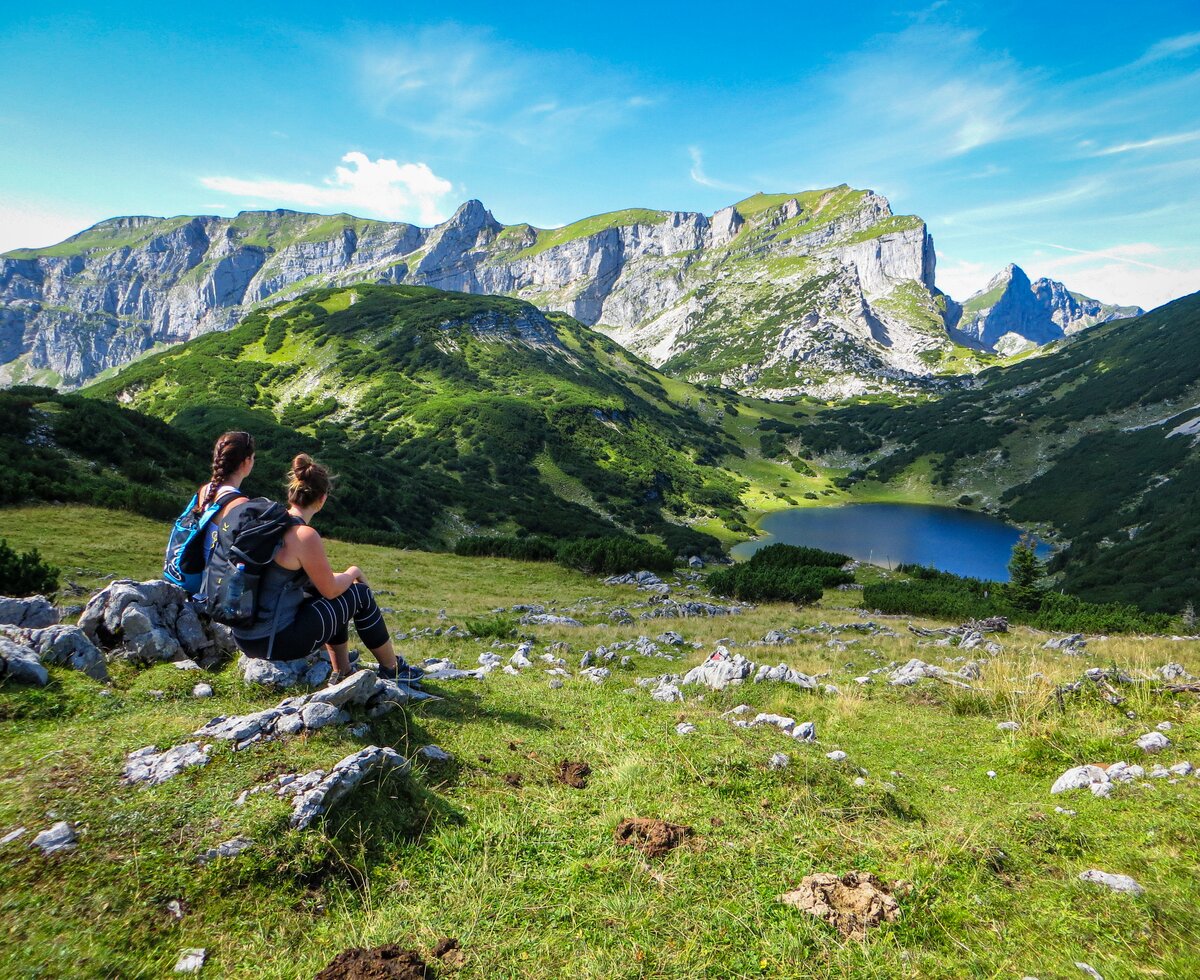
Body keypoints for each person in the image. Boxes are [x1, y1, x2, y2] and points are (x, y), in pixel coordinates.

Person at [231, 453, 423, 684]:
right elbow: (331, 590)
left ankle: (342, 670)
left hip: (245, 636)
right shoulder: (304, 535)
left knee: (331, 594)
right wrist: (353, 572)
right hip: (274, 641)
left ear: (291, 494)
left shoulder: (270, 524)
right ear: (321, 500)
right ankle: (393, 669)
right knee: (358, 594)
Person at [198, 431, 257, 565]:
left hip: (196, 569)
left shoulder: (205, 489)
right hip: (212, 578)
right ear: (246, 461)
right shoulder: (240, 504)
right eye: (253, 457)